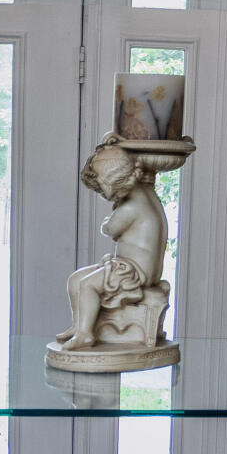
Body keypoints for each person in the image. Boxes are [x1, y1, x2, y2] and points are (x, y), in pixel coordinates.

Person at [56, 141, 168, 350]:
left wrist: (108, 221)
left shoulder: (131, 208)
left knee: (87, 285)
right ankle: (78, 326)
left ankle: (86, 335)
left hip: (134, 272)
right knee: (75, 279)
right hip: (127, 265)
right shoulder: (148, 193)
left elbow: (109, 230)